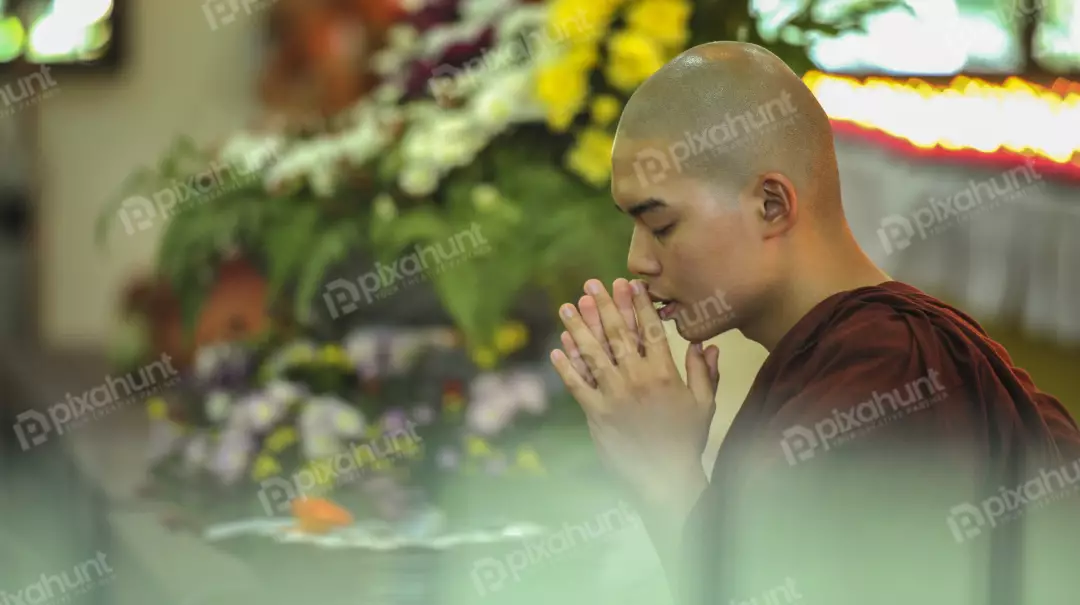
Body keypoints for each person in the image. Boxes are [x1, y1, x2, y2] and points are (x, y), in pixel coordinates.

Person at [549, 42, 1080, 605]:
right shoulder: (849, 354)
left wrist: (669, 477)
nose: (638, 260)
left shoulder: (890, 368)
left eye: (660, 224)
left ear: (771, 205)